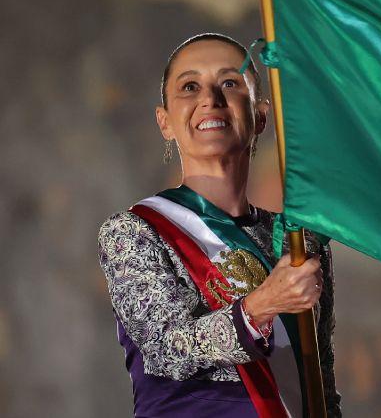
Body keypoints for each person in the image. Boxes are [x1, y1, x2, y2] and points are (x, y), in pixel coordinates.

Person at [97, 33, 340, 417]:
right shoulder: (134, 231)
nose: (210, 98)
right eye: (189, 87)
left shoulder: (299, 240)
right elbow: (167, 351)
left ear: (260, 115)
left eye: (230, 82)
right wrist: (262, 306)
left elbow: (320, 383)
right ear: (165, 122)